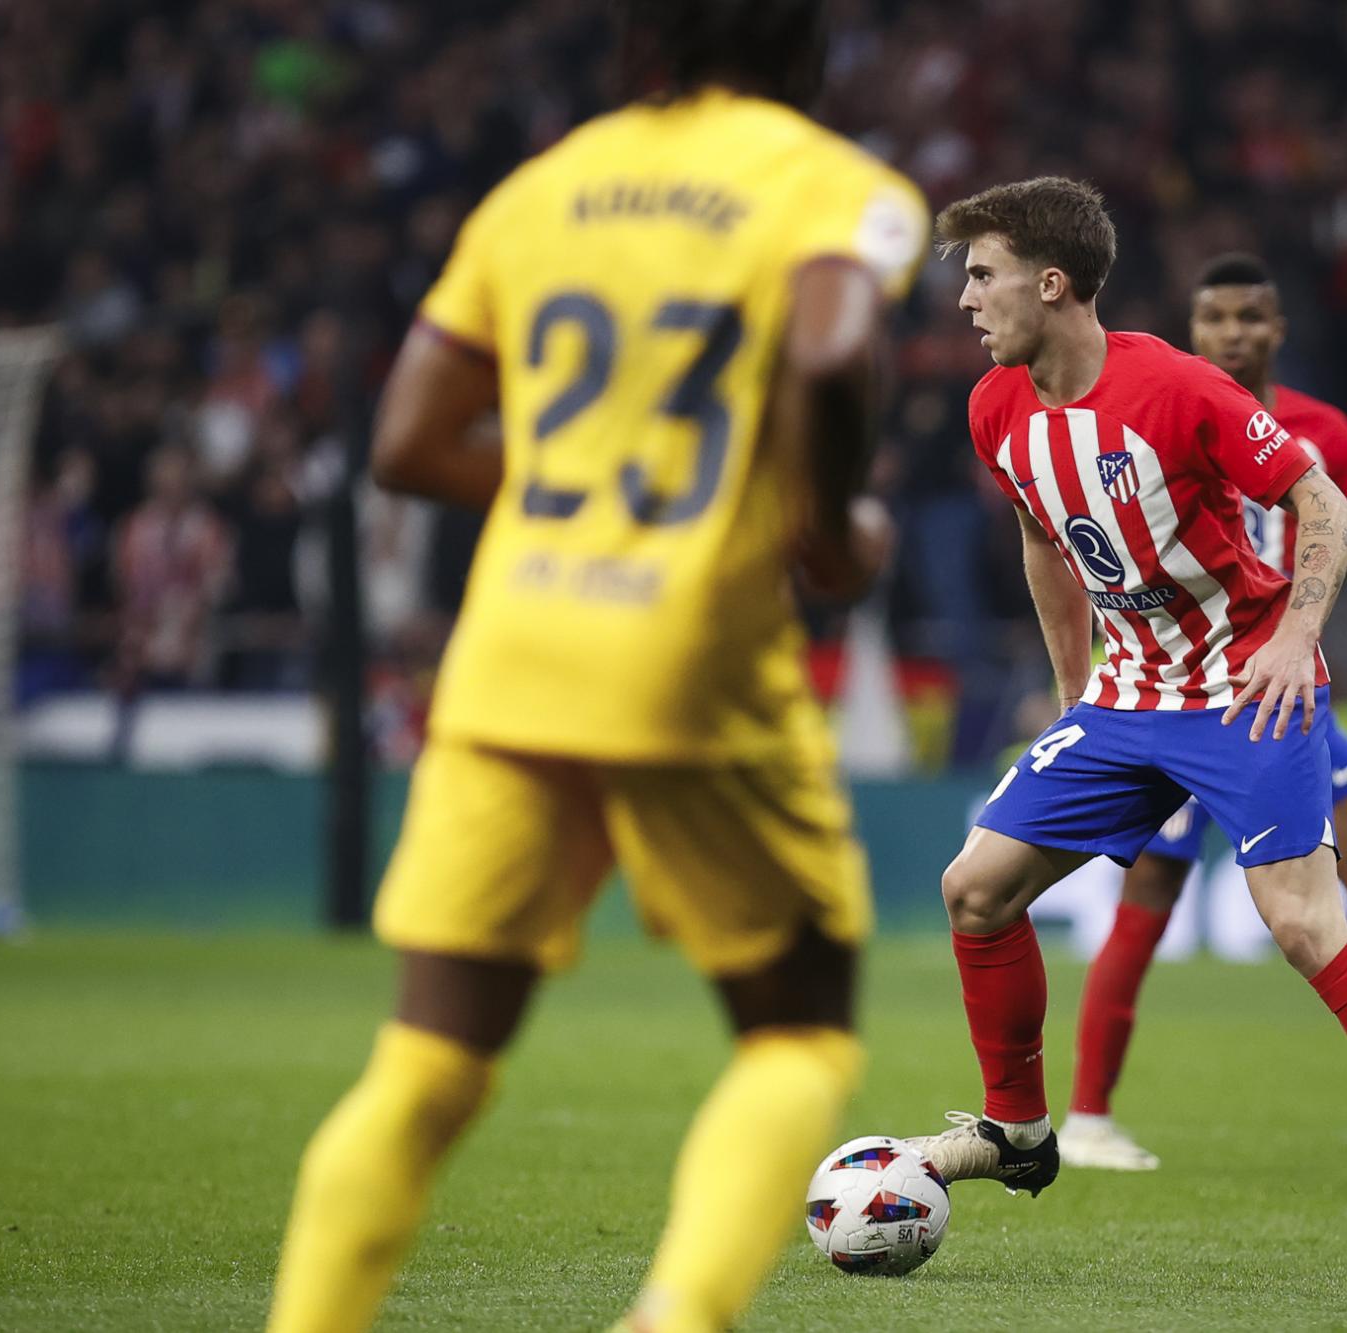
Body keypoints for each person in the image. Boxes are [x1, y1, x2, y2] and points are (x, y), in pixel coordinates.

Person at [264, 3, 930, 1330]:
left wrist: (585, 485)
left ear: (644, 45)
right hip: (691, 663)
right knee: (797, 1030)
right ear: (806, 52)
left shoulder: (538, 192)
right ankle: (672, 1318)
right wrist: (827, 520)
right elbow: (835, 345)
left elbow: (406, 442)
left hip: (511, 656)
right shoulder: (842, 188)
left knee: (427, 1064)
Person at [904, 178, 1347, 1291]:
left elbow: (1320, 502)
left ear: (1050, 283)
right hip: (1127, 698)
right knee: (973, 887)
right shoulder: (997, 406)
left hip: (1243, 690)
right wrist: (1071, 685)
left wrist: (1293, 635)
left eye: (980, 274)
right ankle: (1020, 1130)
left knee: (1298, 922)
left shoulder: (1176, 388)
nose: (964, 300)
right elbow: (1046, 541)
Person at [1058, 253, 1347, 1173]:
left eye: (1251, 317)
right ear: (1192, 327)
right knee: (1151, 889)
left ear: (1279, 329)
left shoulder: (1322, 432)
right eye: (1216, 316)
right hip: (1178, 694)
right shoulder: (1154, 409)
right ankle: (1088, 1116)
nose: (1234, 333)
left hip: (1281, 691)